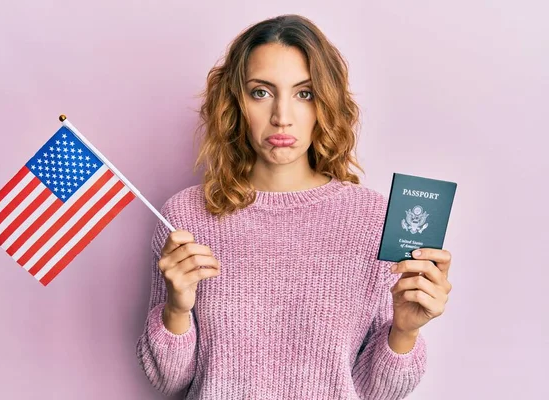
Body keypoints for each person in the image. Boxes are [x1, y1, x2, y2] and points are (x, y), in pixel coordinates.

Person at [136, 14, 453, 400]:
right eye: (261, 92)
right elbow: (168, 381)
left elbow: (374, 394)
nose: (281, 117)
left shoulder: (375, 219)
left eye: (304, 93)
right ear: (235, 102)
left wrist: (403, 332)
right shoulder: (186, 216)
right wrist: (176, 310)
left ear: (325, 103)